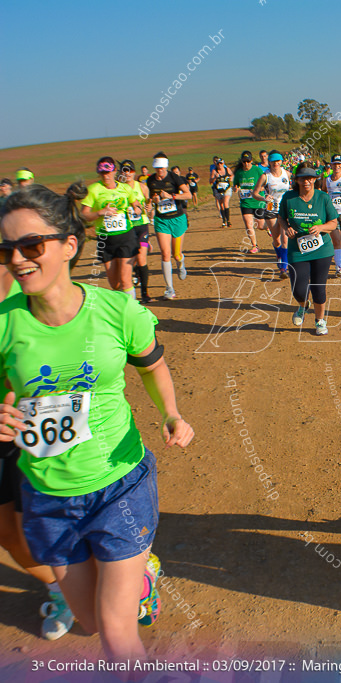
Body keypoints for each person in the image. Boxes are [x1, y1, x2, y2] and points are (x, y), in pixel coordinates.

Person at [0, 183, 194, 663]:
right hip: (47, 494)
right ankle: (144, 578)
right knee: (88, 621)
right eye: (6, 250)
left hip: (118, 484)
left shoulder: (117, 310)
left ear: (69, 245)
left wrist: (171, 413)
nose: (18, 260)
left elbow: (152, 367)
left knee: (114, 634)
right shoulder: (4, 323)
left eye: (31, 246)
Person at [0, 264, 75, 640]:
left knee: (55, 519)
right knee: (8, 534)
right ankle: (62, 590)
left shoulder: (18, 274)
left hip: (24, 418)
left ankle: (126, 568)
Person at [275, 163, 338, 336]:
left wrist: (321, 228)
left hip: (321, 249)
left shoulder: (323, 197)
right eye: (303, 178)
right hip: (297, 250)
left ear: (315, 179)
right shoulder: (289, 197)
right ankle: (303, 306)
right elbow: (281, 218)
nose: (307, 181)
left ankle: (320, 320)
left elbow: (334, 223)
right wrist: (286, 227)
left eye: (310, 178)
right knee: (299, 289)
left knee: (318, 287)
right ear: (297, 180)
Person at [79, 157, 141, 298]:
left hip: (126, 237)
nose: (105, 176)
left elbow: (137, 205)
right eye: (102, 173)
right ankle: (123, 305)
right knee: (115, 284)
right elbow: (84, 215)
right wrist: (100, 212)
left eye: (108, 172)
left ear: (114, 171)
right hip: (105, 239)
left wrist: (136, 210)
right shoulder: (93, 190)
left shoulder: (125, 188)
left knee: (125, 281)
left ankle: (132, 313)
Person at [145, 153, 191, 300]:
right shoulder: (150, 180)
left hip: (177, 219)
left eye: (162, 168)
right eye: (157, 168)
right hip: (161, 220)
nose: (160, 171)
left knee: (176, 254)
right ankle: (169, 289)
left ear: (166, 166)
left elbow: (188, 195)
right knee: (165, 253)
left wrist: (171, 197)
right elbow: (148, 199)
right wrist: (153, 201)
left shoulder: (174, 178)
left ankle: (181, 262)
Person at [119, 161, 154, 304]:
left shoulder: (143, 187)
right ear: (121, 173)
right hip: (126, 228)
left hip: (141, 226)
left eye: (130, 170)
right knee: (130, 259)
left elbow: (149, 206)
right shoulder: (118, 189)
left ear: (134, 172)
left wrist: (149, 208)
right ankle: (135, 277)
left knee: (141, 258)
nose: (127, 173)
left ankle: (145, 294)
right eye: (124, 171)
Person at [253, 151, 291, 263]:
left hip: (285, 209)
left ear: (281, 161)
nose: (276, 163)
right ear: (269, 162)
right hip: (271, 209)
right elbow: (255, 193)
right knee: (277, 240)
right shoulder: (265, 176)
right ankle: (279, 255)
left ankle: (284, 268)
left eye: (278, 161)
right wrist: (264, 198)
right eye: (273, 161)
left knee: (285, 240)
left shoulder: (287, 174)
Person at [232, 151, 265, 253]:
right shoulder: (239, 173)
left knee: (260, 226)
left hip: (258, 201)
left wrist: (257, 191)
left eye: (248, 161)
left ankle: (268, 227)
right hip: (245, 202)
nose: (246, 163)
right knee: (248, 224)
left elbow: (265, 186)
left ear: (251, 160)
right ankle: (255, 246)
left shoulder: (257, 170)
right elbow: (235, 185)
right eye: (244, 161)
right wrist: (235, 188)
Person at [210, 158, 232, 228]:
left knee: (225, 203)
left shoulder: (227, 169)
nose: (220, 165)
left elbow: (232, 175)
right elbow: (210, 181)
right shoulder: (214, 171)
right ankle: (224, 220)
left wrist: (230, 178)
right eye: (218, 164)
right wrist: (214, 178)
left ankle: (228, 221)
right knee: (221, 205)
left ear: (223, 163)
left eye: (221, 163)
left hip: (227, 188)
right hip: (218, 189)